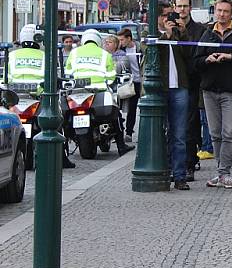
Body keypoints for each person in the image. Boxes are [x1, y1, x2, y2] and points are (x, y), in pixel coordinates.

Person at [194, 0, 232, 189]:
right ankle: (221, 171)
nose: (222, 14)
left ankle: (224, 172)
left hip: (231, 90)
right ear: (215, 11)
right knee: (215, 133)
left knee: (229, 131)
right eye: (219, 11)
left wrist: (231, 57)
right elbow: (196, 61)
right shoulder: (208, 33)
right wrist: (207, 59)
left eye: (226, 11)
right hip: (210, 89)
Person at [9, 24, 75, 168]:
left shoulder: (12, 55)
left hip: (16, 97)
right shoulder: (45, 56)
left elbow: (5, 78)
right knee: (56, 121)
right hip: (39, 97)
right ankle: (62, 158)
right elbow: (52, 77)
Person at [65, 29, 135, 157]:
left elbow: (67, 73)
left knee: (65, 120)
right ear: (98, 41)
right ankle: (121, 145)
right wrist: (106, 82)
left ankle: (63, 151)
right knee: (115, 116)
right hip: (99, 91)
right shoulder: (104, 54)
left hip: (77, 92)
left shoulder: (74, 53)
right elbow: (110, 76)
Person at [155, 2, 192, 190]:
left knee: (179, 134)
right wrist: (165, 36)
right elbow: (150, 53)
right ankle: (163, 172)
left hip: (179, 88)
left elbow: (189, 55)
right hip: (159, 90)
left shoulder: (179, 33)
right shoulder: (150, 34)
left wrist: (182, 32)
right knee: (159, 133)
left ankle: (179, 176)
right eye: (166, 15)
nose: (170, 19)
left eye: (172, 15)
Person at [173, 0, 207, 181]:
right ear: (175, 7)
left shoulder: (199, 30)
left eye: (185, 6)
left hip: (192, 82)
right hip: (174, 80)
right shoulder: (171, 29)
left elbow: (198, 56)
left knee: (190, 125)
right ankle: (178, 162)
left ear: (190, 8)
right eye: (180, 6)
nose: (182, 9)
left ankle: (189, 163)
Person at [117, 29, 141, 143]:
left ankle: (130, 132)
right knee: (125, 107)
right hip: (128, 82)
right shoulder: (121, 50)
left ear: (129, 38)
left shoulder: (139, 48)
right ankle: (123, 132)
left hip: (140, 81)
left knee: (136, 108)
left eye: (122, 39)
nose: (120, 42)